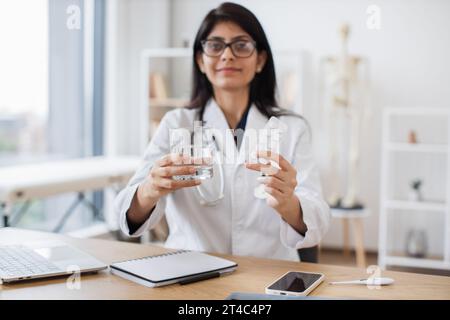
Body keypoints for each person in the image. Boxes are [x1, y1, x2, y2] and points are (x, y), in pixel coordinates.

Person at [115, 2, 330, 261]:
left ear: (260, 59)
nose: (227, 56)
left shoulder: (292, 129)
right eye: (215, 46)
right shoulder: (177, 123)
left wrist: (289, 204)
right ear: (200, 60)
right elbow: (125, 216)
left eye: (241, 45)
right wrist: (150, 188)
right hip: (190, 272)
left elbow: (317, 217)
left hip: (268, 275)